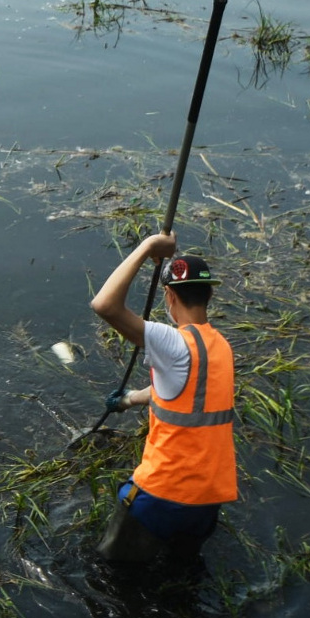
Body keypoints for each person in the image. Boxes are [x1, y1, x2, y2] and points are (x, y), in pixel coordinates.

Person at [89, 232, 235, 568]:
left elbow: (104, 305)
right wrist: (130, 400)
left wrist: (147, 248)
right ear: (209, 294)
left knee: (111, 574)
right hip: (208, 500)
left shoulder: (172, 341)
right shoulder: (220, 348)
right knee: (180, 574)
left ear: (168, 296)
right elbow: (187, 396)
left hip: (161, 496)